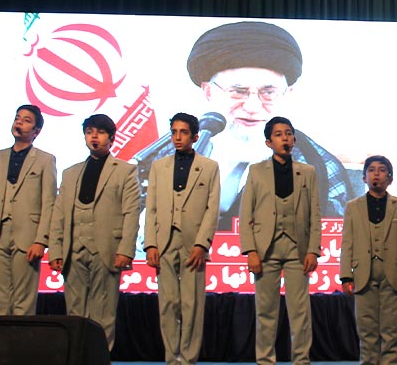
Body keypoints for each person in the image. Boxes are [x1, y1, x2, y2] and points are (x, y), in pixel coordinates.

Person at [134, 20, 356, 229]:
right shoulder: (165, 155)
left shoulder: (318, 167)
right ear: (209, 92)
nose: (252, 106)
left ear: (287, 94)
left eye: (268, 93)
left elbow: (336, 247)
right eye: (238, 92)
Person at [238, 116, 321, 365]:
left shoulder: (307, 172)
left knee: (300, 314)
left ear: (294, 139)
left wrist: (313, 249)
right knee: (265, 313)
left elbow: (314, 214)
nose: (285, 138)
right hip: (266, 250)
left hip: (298, 249)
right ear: (268, 142)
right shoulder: (256, 171)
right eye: (278, 134)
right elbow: (246, 214)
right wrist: (251, 250)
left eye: (288, 133)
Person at [49, 114, 141, 350]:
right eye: (89, 132)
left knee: (103, 311)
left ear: (111, 138)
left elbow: (131, 213)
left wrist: (126, 250)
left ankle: (99, 362)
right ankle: (77, 362)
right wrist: (56, 250)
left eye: (100, 132)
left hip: (107, 249)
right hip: (74, 249)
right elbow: (59, 214)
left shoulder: (125, 171)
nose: (94, 137)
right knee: (74, 311)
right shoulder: (71, 173)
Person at [143, 113, 221, 365]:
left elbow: (212, 208)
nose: (177, 137)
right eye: (174, 132)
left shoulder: (209, 167)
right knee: (168, 307)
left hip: (193, 245)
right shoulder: (159, 166)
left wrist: (202, 243)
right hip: (164, 242)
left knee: (191, 307)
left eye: (183, 132)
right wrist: (150, 244)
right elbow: (151, 208)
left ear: (195, 136)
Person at [340, 156, 397, 365]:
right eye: (371, 170)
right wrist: (346, 276)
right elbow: (347, 243)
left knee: (392, 328)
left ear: (390, 178)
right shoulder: (353, 207)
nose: (376, 174)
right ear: (364, 177)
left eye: (382, 170)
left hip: (393, 273)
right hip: (363, 273)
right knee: (367, 329)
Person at [0, 105, 57, 316]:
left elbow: (49, 203)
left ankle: (21, 336)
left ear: (36, 131)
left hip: (27, 235)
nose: (19, 122)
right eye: (17, 118)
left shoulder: (45, 160)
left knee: (23, 301)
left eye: (26, 120)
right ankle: (0, 336)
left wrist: (41, 240)